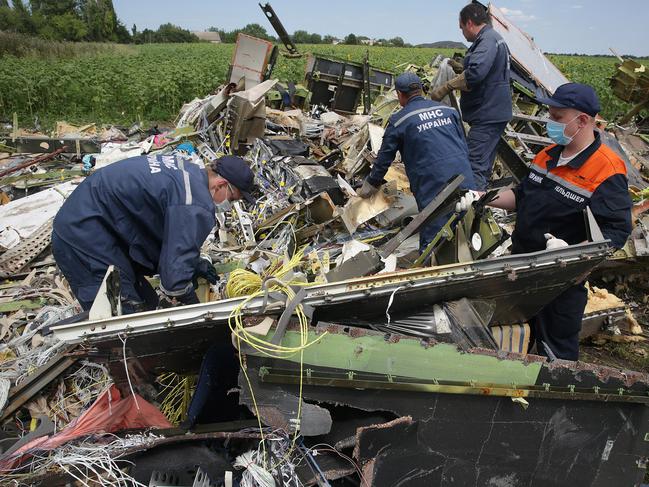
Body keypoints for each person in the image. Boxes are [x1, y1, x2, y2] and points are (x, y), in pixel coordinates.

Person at [483, 83, 632, 360]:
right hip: (521, 269)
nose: (550, 122)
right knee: (516, 341)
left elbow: (616, 229)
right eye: (549, 114)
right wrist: (484, 198)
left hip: (560, 283)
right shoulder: (547, 155)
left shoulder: (607, 169)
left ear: (583, 120)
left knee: (557, 355)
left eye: (557, 117)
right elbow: (522, 195)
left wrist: (573, 254)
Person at [52, 154, 255, 313]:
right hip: (83, 235)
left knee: (148, 304)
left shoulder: (187, 172)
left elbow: (169, 237)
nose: (230, 206)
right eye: (233, 199)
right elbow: (174, 281)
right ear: (221, 185)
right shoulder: (195, 203)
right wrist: (195, 307)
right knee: (123, 321)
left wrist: (191, 264)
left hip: (98, 223)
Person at [357, 72, 476, 251]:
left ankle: (432, 271)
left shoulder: (399, 121)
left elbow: (383, 160)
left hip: (433, 186)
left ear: (399, 94)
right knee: (468, 227)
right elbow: (463, 145)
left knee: (434, 239)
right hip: (465, 177)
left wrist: (369, 186)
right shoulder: (449, 111)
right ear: (421, 90)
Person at [430, 2, 512, 191]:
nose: (462, 33)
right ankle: (479, 201)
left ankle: (472, 208)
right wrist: (461, 68)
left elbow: (476, 74)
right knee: (482, 164)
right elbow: (487, 71)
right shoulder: (492, 39)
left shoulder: (487, 40)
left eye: (461, 28)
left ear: (469, 23)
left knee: (473, 165)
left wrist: (447, 87)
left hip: (487, 114)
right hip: (493, 113)